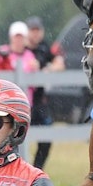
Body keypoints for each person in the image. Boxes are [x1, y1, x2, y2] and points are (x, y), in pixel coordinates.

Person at [24, 16, 64, 169]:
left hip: (40, 101)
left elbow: (59, 62)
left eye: (38, 30)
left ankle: (37, 169)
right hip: (24, 100)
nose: (35, 34)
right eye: (32, 30)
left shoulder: (44, 47)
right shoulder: (21, 48)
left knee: (46, 137)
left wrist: (49, 69)